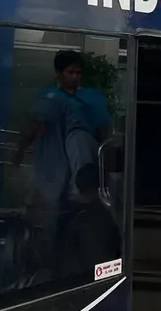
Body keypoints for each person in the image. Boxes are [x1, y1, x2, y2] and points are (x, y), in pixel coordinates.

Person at [15, 50, 111, 258]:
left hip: (82, 170)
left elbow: (104, 130)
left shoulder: (91, 98)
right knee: (48, 224)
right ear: (59, 73)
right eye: (70, 72)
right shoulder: (49, 97)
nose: (75, 77)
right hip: (54, 166)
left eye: (78, 73)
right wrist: (19, 153)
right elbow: (33, 126)